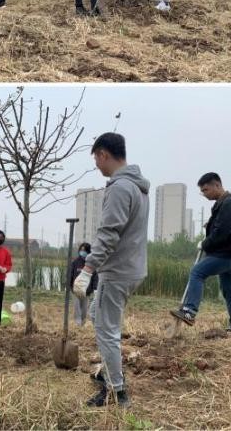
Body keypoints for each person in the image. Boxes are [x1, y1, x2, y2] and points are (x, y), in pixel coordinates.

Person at [73, 132, 149, 409]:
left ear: (103, 154)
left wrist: (88, 268)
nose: (97, 165)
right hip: (133, 269)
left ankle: (117, 392)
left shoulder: (119, 188)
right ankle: (107, 374)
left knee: (107, 331)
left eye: (96, 158)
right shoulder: (139, 188)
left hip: (116, 272)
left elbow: (109, 233)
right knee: (97, 315)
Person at [171, 173, 231, 334]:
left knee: (197, 272)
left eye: (206, 189)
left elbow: (222, 233)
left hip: (230, 254)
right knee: (229, 290)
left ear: (217, 185)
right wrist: (211, 224)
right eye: (202, 191)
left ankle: (189, 311)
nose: (204, 194)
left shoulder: (228, 204)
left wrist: (205, 243)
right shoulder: (224, 204)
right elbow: (222, 226)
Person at [70, 242, 98, 326]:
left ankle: (83, 322)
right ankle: (77, 323)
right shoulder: (75, 262)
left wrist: (94, 288)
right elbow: (70, 274)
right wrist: (70, 285)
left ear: (88, 251)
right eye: (81, 250)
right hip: (76, 290)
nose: (82, 252)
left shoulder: (91, 264)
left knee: (85, 308)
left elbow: (95, 277)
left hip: (87, 291)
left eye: (84, 250)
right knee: (77, 307)